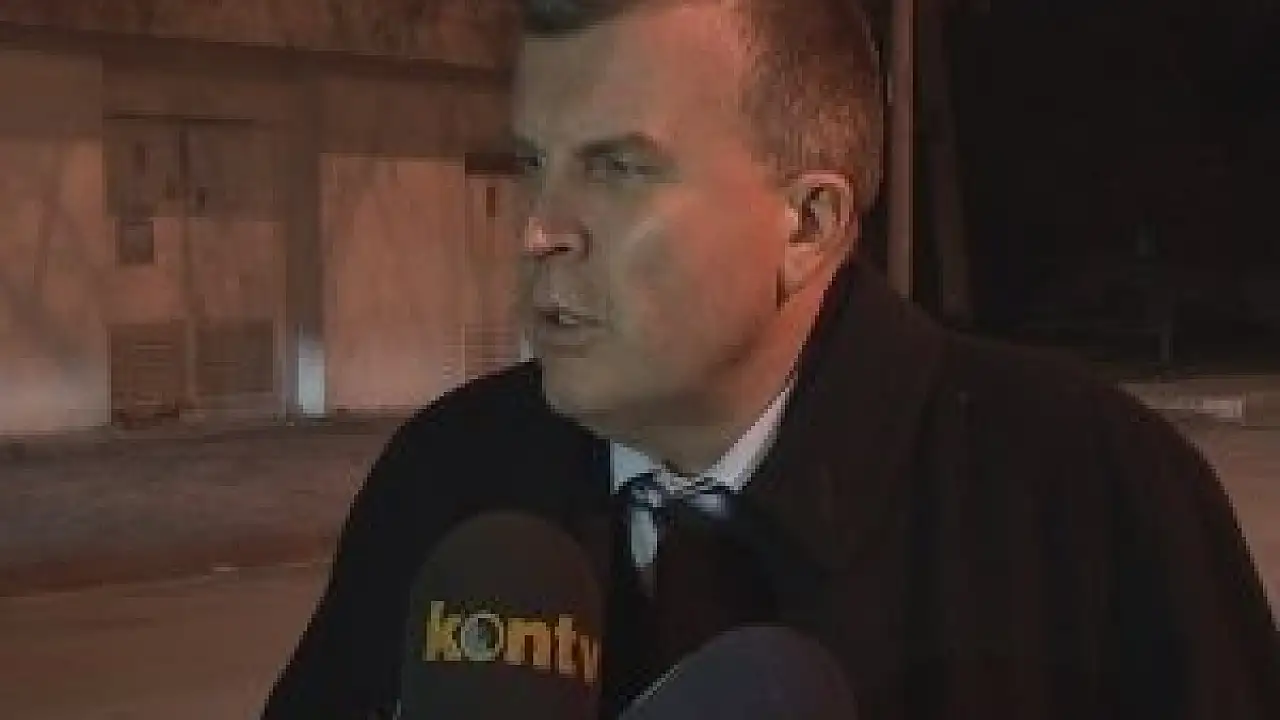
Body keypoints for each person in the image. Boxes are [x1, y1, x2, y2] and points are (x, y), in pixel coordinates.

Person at [261, 1, 1280, 717]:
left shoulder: (1090, 498)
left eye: (618, 168)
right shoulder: (447, 479)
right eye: (534, 162)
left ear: (808, 223)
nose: (539, 229)